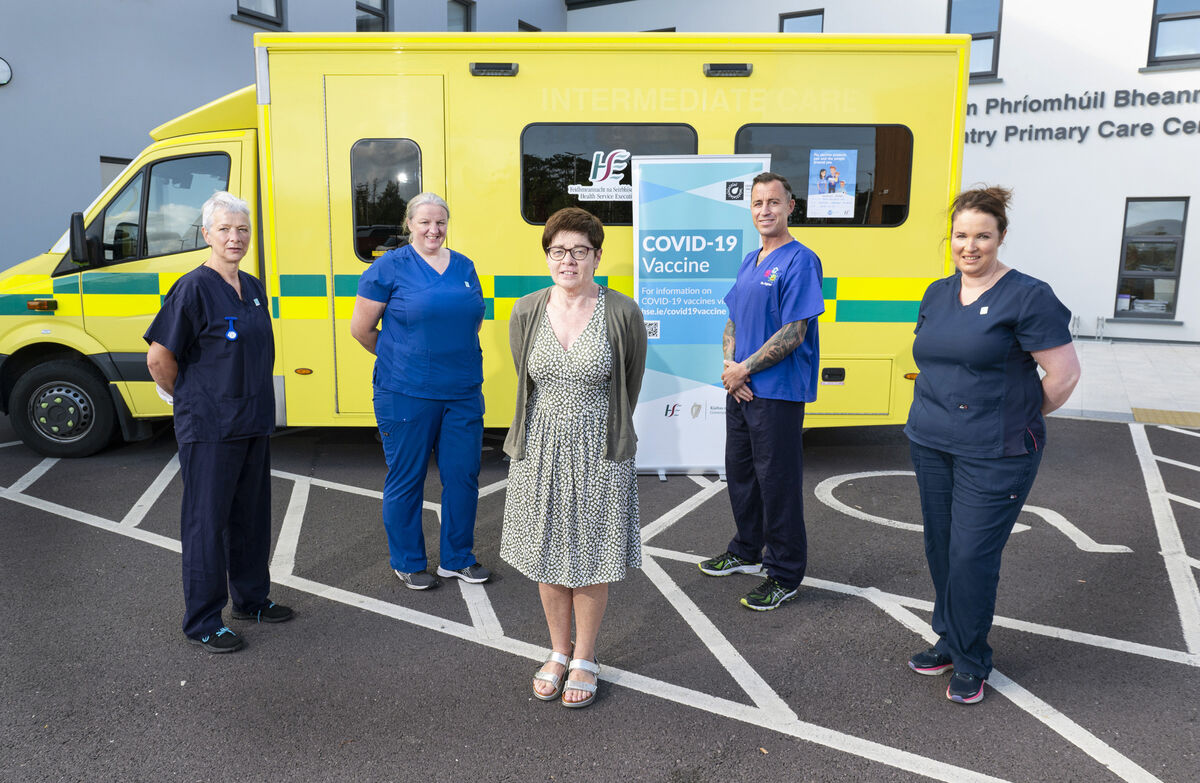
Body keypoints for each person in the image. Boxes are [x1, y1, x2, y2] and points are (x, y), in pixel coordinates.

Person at [905, 186, 1080, 704]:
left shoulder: (1029, 295)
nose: (971, 245)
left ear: (1001, 237)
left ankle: (972, 657)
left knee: (971, 556)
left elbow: (1064, 375)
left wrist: (1014, 415)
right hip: (931, 441)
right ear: (951, 239)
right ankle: (948, 636)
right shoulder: (937, 293)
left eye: (983, 235)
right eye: (962, 235)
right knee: (940, 548)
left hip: (996, 450)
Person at [500, 207, 647, 708]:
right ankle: (557, 651)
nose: (569, 260)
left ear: (597, 256)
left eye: (580, 251)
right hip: (539, 447)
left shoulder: (623, 311)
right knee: (547, 556)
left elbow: (630, 381)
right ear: (547, 257)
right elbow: (527, 375)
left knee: (590, 560)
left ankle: (585, 656)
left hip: (598, 449)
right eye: (559, 251)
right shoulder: (527, 310)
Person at [145, 191, 293, 654]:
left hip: (251, 420)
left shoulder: (251, 286)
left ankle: (250, 599)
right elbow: (158, 358)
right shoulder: (191, 288)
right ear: (206, 234)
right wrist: (187, 398)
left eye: (242, 229)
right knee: (206, 526)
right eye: (225, 229)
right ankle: (203, 620)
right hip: (209, 426)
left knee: (250, 518)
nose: (235, 237)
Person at [350, 192, 490, 591]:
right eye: (425, 222)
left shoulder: (464, 266)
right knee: (407, 478)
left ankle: (457, 558)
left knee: (463, 476)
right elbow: (361, 329)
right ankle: (409, 562)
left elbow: (471, 322)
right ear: (408, 224)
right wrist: (403, 356)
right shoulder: (388, 268)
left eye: (441, 222)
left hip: (462, 390)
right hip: (405, 392)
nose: (434, 229)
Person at [698, 172, 824, 611]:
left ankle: (785, 573)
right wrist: (732, 367)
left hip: (777, 392)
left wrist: (744, 370)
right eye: (757, 203)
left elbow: (795, 330)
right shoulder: (750, 260)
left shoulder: (800, 261)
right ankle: (747, 548)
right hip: (743, 387)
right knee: (743, 475)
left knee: (778, 483)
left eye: (774, 202)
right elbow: (732, 319)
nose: (765, 210)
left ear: (791, 206)